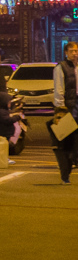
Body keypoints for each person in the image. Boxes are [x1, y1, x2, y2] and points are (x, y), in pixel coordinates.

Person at [51, 41, 78, 184]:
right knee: (66, 143)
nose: (75, 53)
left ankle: (74, 159)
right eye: (72, 51)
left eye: (76, 50)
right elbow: (59, 89)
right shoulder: (61, 68)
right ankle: (65, 175)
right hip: (68, 107)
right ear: (66, 53)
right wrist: (60, 108)